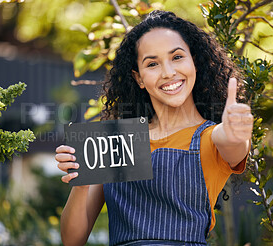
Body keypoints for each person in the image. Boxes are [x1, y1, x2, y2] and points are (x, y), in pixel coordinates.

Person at [55, 10, 253, 246]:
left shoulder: (210, 138)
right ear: (138, 78)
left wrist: (235, 134)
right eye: (152, 64)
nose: (168, 72)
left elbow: (231, 144)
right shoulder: (117, 141)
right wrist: (82, 179)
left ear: (195, 62)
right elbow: (72, 240)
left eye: (177, 57)